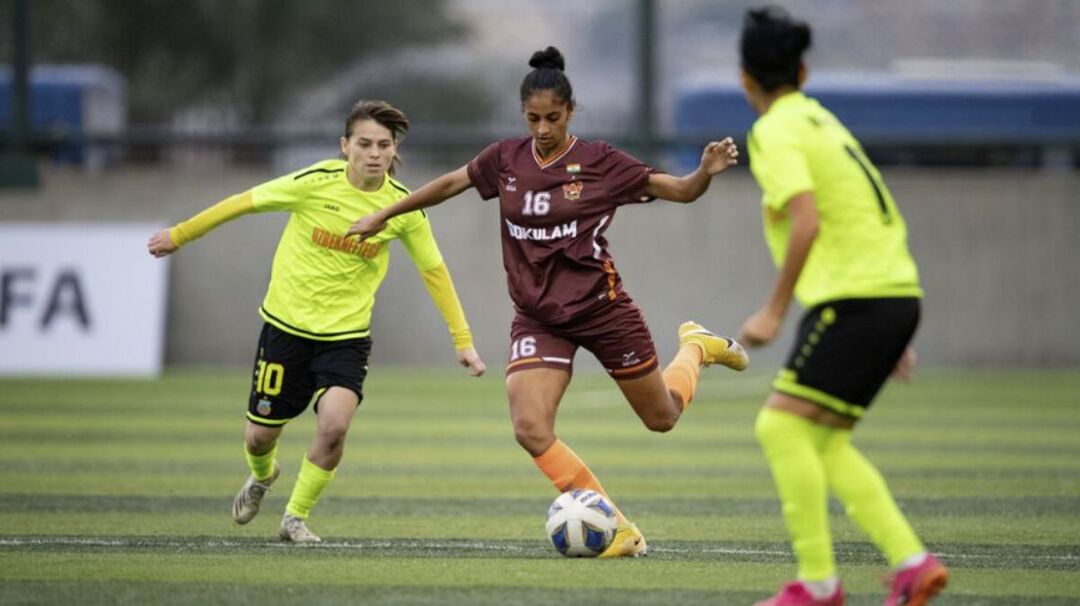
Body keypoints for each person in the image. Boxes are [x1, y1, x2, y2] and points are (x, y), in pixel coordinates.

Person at [348, 46, 748, 558]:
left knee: (662, 417)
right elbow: (451, 183)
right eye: (533, 118)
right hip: (539, 317)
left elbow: (681, 191)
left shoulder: (601, 162)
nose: (542, 128)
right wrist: (385, 213)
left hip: (602, 310)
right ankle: (618, 528)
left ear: (570, 111)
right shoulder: (505, 159)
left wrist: (705, 172)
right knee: (530, 428)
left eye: (552, 118)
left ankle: (696, 346)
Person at [147, 100, 486, 543]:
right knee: (258, 438)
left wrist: (463, 340)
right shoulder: (313, 182)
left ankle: (295, 518)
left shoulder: (402, 207)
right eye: (364, 144)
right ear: (345, 146)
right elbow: (243, 203)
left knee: (335, 426)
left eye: (384, 145)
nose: (375, 153)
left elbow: (434, 271)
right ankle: (262, 477)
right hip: (285, 329)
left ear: (394, 150)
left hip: (346, 338)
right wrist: (180, 234)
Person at [735, 7, 948, 606]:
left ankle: (818, 585)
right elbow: (873, 210)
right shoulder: (823, 121)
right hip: (890, 295)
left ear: (745, 79)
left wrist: (773, 311)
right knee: (824, 442)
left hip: (857, 300)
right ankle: (912, 563)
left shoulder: (775, 130)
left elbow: (806, 221)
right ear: (803, 71)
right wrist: (893, 324)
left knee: (779, 425)